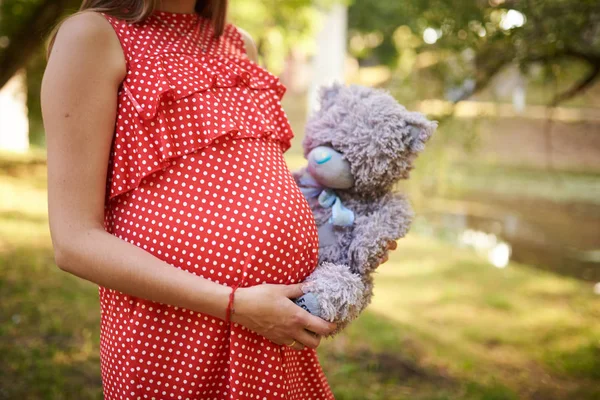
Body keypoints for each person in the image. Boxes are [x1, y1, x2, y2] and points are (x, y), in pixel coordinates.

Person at [41, 0, 396, 398]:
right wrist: (232, 304)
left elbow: (247, 178)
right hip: (177, 344)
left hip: (269, 335)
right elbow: (74, 241)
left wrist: (344, 235)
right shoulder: (92, 36)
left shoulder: (238, 44)